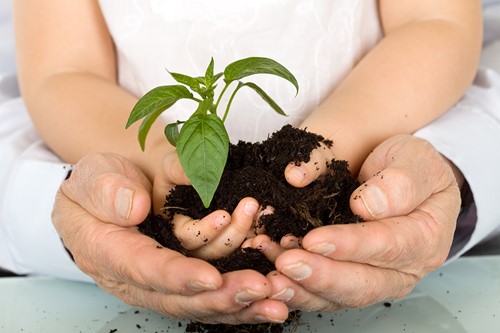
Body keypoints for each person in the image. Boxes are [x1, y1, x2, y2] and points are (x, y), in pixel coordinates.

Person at [2, 0, 500, 324]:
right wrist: (156, 163)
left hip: (368, 198)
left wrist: (329, 143)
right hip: (139, 227)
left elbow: (434, 23)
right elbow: (63, 74)